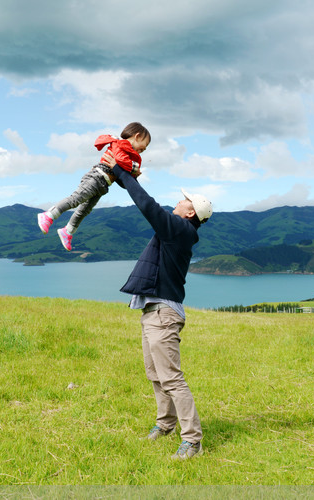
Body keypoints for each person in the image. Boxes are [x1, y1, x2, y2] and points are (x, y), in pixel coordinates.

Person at [102, 148, 212, 460]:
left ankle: (192, 441)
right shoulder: (179, 230)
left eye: (183, 201)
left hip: (164, 313)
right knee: (155, 375)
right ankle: (165, 425)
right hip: (154, 310)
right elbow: (150, 205)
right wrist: (125, 178)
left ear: (190, 213)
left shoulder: (179, 230)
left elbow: (148, 206)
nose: (177, 202)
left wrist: (122, 174)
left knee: (172, 378)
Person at [37, 122, 151, 251]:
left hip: (102, 185)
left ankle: (68, 231)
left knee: (85, 210)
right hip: (96, 177)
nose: (144, 149)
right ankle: (49, 215)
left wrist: (133, 175)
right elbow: (120, 160)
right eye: (145, 145)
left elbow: (122, 179)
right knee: (76, 199)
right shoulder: (121, 144)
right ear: (137, 136)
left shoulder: (127, 152)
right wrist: (134, 168)